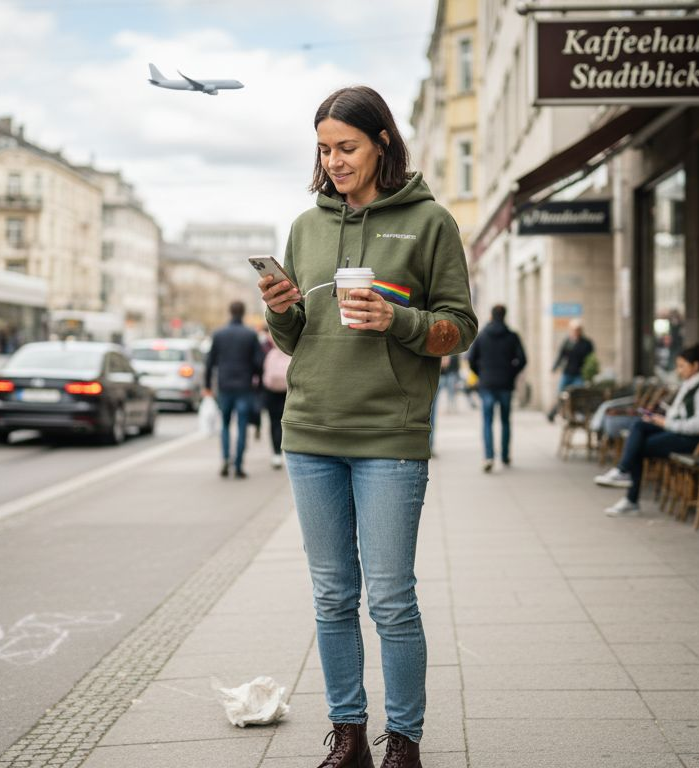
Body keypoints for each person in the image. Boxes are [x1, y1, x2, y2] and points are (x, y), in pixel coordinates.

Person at [259, 85, 477, 768]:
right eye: (324, 149)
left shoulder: (430, 221)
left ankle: (403, 742)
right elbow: (297, 340)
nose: (334, 161)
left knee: (389, 597)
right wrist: (279, 309)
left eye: (346, 147)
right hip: (311, 431)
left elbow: (458, 330)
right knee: (331, 595)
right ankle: (348, 735)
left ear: (382, 141)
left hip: (390, 434)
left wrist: (400, 320)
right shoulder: (304, 226)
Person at [594, 344, 699, 517]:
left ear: (696, 366)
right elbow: (677, 413)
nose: (678, 371)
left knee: (637, 447)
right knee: (639, 425)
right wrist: (658, 419)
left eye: (682, 366)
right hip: (678, 432)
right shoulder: (690, 384)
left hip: (692, 440)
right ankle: (624, 475)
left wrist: (666, 423)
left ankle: (628, 488)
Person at [203, 301, 264, 479]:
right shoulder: (250, 335)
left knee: (225, 424)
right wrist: (257, 383)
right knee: (242, 425)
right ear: (243, 313)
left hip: (225, 386)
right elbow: (259, 363)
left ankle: (225, 459)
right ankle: (238, 464)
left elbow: (209, 363)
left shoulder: (219, 334)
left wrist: (207, 386)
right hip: (245, 387)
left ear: (230, 312)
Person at [467, 304, 526, 472]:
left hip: (487, 384)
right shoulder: (512, 336)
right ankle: (506, 455)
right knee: (506, 421)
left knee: (487, 421)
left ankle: (489, 456)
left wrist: (481, 374)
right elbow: (522, 360)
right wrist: (511, 373)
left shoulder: (482, 336)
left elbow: (471, 359)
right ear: (504, 316)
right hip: (506, 384)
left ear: (491, 316)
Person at [549, 320, 594, 420]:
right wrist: (555, 367)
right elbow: (561, 356)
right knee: (561, 393)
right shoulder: (568, 342)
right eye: (574, 330)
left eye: (577, 330)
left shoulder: (586, 343)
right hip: (568, 372)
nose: (576, 332)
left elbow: (591, 359)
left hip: (579, 374)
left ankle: (578, 413)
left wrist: (589, 372)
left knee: (579, 394)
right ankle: (554, 413)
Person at [260, 333, 291, 468]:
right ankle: (286, 451)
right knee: (287, 423)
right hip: (287, 391)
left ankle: (276, 454)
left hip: (271, 393)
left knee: (274, 423)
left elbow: (264, 376)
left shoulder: (270, 354)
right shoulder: (291, 353)